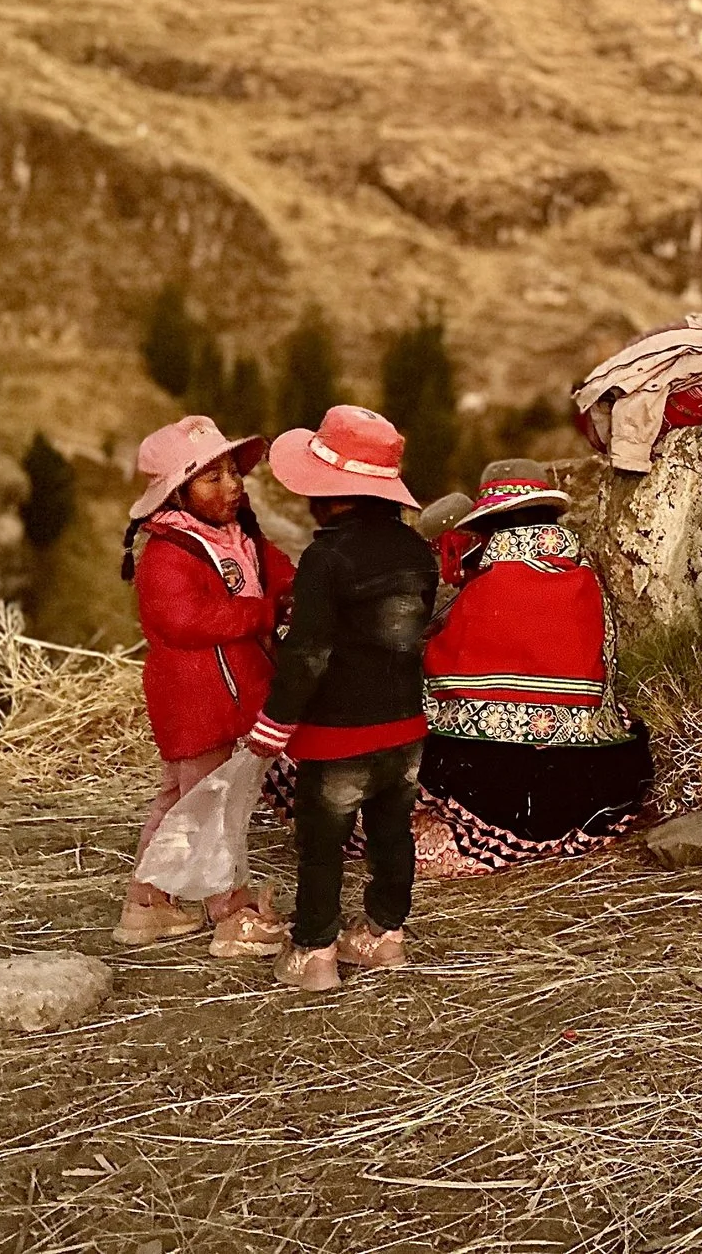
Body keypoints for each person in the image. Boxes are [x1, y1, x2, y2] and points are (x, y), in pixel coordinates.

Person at [243, 405, 437, 993]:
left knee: (321, 845)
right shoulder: (415, 551)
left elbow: (309, 654)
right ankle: (383, 936)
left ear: (328, 494)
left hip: (337, 733)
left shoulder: (327, 559)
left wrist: (275, 722)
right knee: (390, 832)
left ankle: (314, 951)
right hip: (403, 725)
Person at [414, 459, 655, 870]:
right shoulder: (585, 580)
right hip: (586, 793)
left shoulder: (485, 589)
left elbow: (438, 684)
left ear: (492, 528)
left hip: (496, 794)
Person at [114, 415, 293, 956]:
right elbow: (187, 622)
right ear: (177, 491)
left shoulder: (239, 537)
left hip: (229, 694)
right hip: (195, 700)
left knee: (195, 799)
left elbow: (279, 572)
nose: (233, 487)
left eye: (233, 474)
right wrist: (265, 612)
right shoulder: (168, 554)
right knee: (209, 803)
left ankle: (150, 904)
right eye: (212, 478)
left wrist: (298, 590)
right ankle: (228, 911)